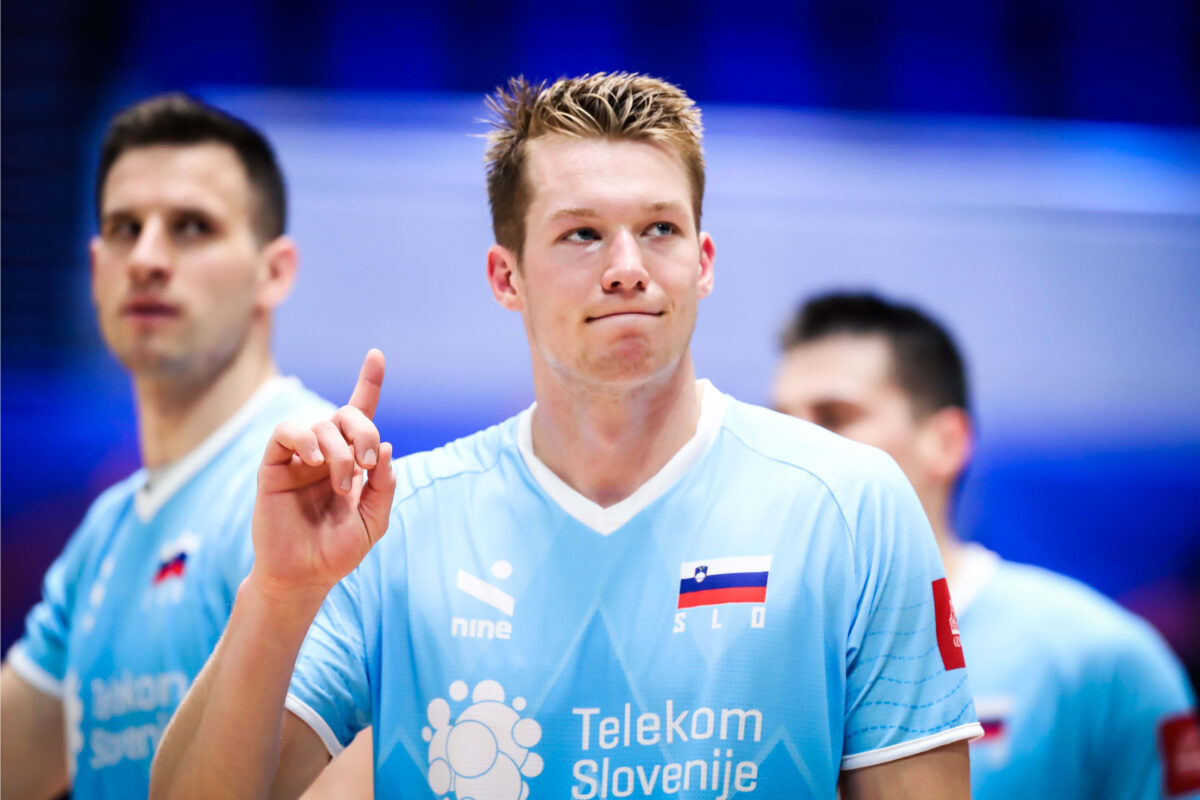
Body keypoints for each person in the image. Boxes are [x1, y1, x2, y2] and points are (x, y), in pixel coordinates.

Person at [151, 73, 983, 800]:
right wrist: (280, 593)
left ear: (704, 261)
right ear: (505, 276)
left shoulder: (851, 505)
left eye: (660, 229)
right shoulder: (395, 527)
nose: (627, 266)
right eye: (581, 233)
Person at [0, 94, 350, 800]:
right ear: (95, 268)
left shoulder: (320, 491)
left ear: (274, 271)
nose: (147, 259)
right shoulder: (105, 534)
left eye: (192, 227)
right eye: (124, 229)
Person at [770, 291, 1200, 799]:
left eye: (834, 416)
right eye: (778, 420)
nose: (793, 445)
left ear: (946, 442)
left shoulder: (1100, 660)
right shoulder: (745, 655)